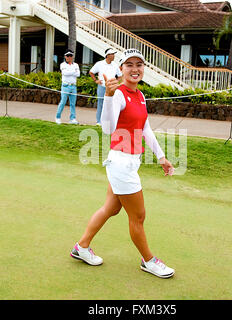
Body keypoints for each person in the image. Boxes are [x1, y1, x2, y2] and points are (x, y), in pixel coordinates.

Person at [71, 48, 175, 279]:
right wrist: (107, 97)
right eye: (129, 65)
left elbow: (145, 128)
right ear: (121, 69)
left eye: (139, 64)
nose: (135, 68)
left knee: (111, 208)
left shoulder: (140, 95)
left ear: (143, 69)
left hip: (129, 162)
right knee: (138, 217)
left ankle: (82, 247)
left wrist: (161, 156)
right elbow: (108, 129)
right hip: (121, 164)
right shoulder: (117, 94)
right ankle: (149, 261)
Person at [89, 48, 122, 126]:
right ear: (107, 55)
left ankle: (109, 121)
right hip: (102, 87)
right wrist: (95, 81)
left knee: (112, 104)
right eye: (112, 54)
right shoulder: (99, 64)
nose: (114, 56)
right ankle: (99, 121)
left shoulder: (115, 65)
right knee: (100, 104)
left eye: (114, 54)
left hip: (111, 88)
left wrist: (116, 82)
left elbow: (120, 76)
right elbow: (91, 72)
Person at [55, 49, 80, 125]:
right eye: (68, 56)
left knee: (73, 103)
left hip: (73, 86)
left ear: (73, 56)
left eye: (71, 55)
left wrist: (71, 72)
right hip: (65, 86)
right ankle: (58, 117)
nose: (69, 57)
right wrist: (73, 71)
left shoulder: (76, 65)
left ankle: (72, 118)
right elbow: (65, 73)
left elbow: (78, 74)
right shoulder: (62, 64)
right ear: (65, 56)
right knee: (62, 102)